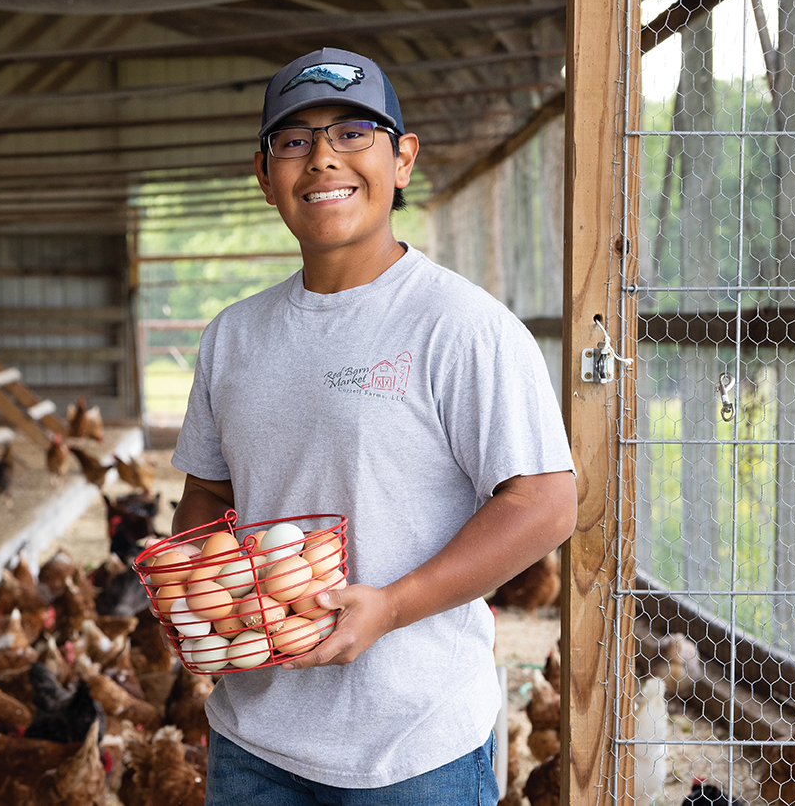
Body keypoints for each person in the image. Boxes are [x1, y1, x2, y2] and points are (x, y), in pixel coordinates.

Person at [168, 46, 577, 804]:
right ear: (264, 175)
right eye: (294, 140)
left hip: (412, 746)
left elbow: (545, 504)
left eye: (352, 133)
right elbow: (208, 493)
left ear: (403, 160)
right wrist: (199, 594)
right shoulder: (232, 335)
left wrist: (390, 607)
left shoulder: (461, 324)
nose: (322, 157)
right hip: (251, 738)